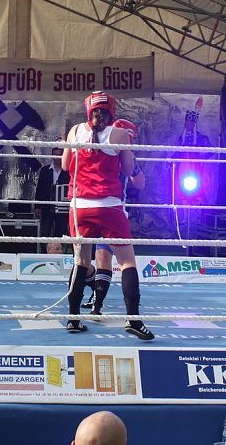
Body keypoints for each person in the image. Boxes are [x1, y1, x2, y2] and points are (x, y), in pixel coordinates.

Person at [62, 91, 153, 340]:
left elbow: (64, 165)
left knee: (81, 261)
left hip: (80, 205)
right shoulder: (120, 134)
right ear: (112, 111)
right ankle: (133, 320)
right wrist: (129, 152)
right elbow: (129, 172)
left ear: (88, 110)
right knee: (127, 262)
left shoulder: (74, 131)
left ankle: (72, 319)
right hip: (109, 205)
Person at [82, 119, 145, 316]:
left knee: (104, 256)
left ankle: (98, 304)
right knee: (82, 261)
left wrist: (132, 164)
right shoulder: (96, 148)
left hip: (114, 209)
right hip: (90, 206)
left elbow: (140, 184)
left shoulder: (126, 154)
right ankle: (96, 290)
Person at [34, 146, 71, 243]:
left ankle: (58, 253)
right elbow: (39, 188)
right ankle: (44, 254)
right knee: (45, 232)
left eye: (60, 155)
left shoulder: (68, 171)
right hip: (47, 205)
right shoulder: (45, 170)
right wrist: (37, 206)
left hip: (62, 207)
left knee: (60, 231)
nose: (58, 158)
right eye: (55, 155)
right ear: (52, 156)